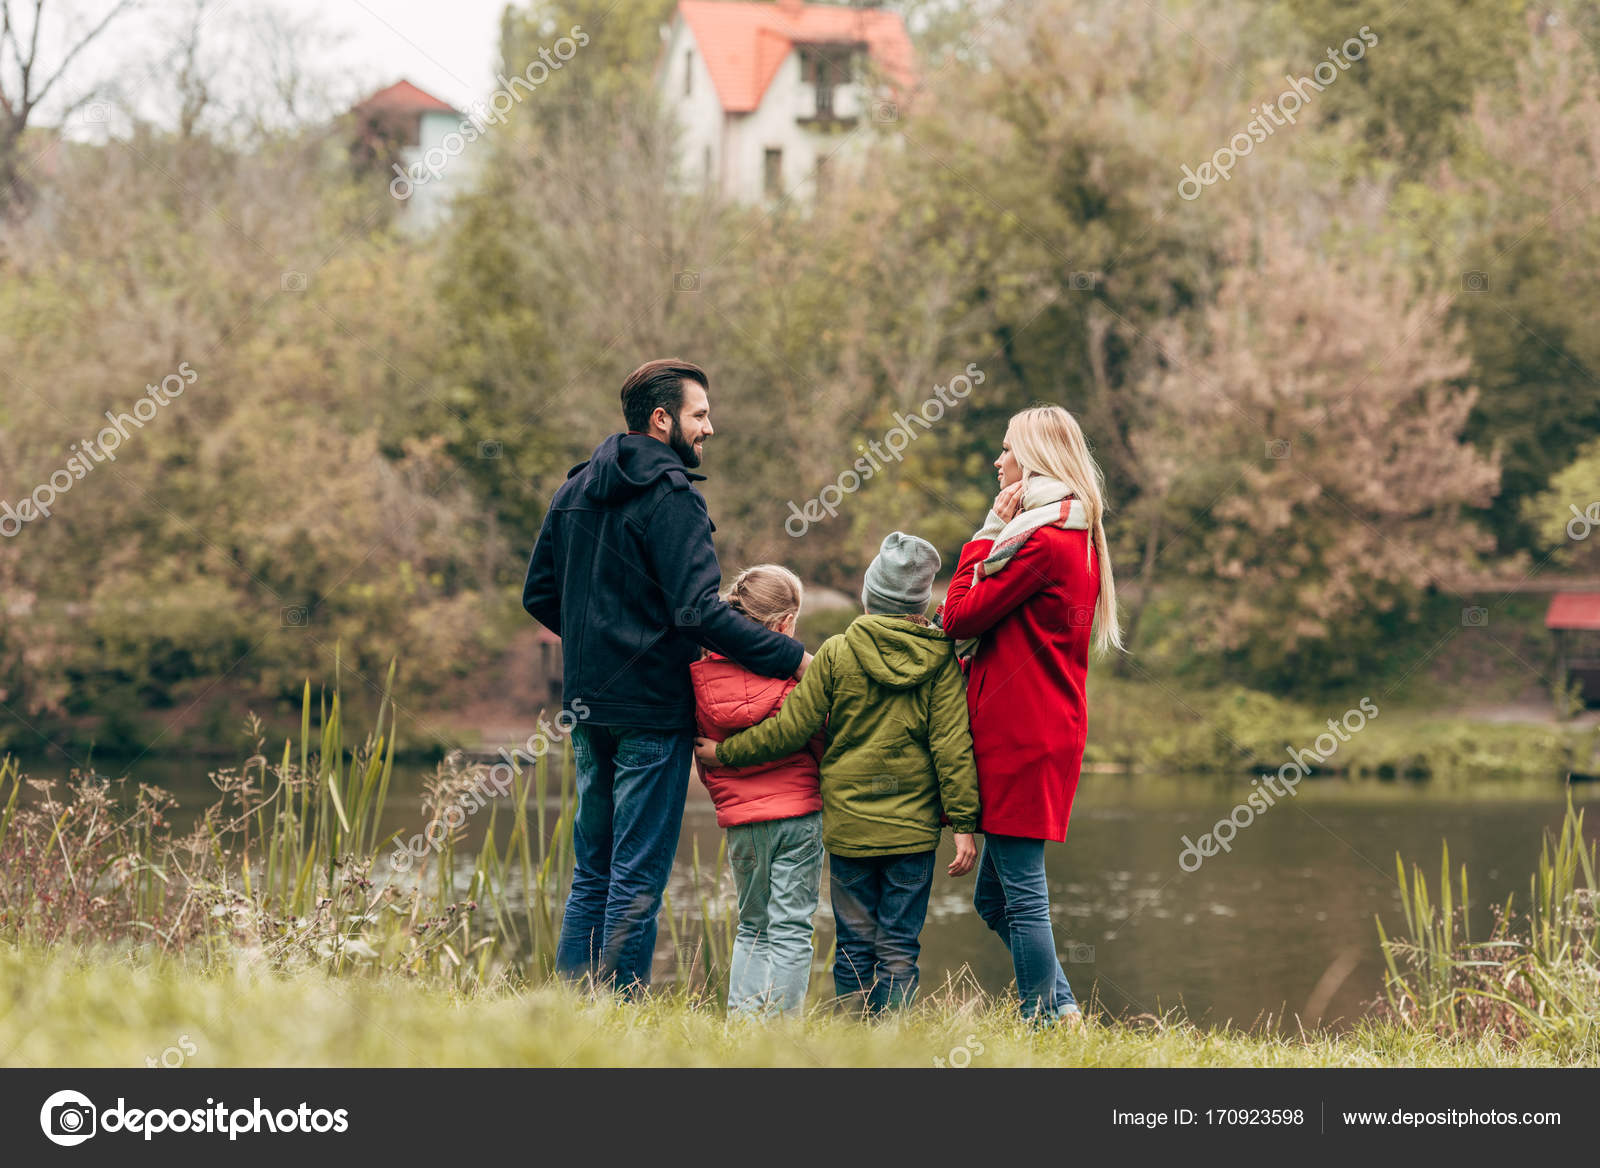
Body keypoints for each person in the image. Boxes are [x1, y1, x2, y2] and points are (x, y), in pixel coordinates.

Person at [522, 358, 809, 996]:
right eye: (699, 414)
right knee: (636, 877)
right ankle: (619, 1013)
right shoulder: (673, 495)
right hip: (652, 709)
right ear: (662, 419)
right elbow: (700, 611)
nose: (709, 427)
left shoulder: (573, 491)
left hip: (588, 708)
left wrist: (601, 643)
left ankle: (574, 1010)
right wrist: (795, 659)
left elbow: (540, 595)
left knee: (592, 872)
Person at [695, 532, 979, 1015]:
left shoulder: (836, 654)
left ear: (870, 596)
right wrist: (965, 824)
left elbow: (790, 729)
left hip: (848, 831)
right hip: (912, 833)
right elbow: (953, 747)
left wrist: (728, 754)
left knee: (850, 946)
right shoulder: (941, 663)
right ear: (919, 602)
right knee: (898, 948)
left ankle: (843, 1037)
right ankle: (887, 1047)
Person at [938, 405, 1123, 1025]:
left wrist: (988, 527)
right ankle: (1061, 1007)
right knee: (996, 897)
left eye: (1007, 450)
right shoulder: (1073, 533)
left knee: (1020, 893)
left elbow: (957, 617)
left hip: (1021, 732)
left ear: (1035, 459)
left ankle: (1044, 1017)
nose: (998, 461)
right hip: (1038, 728)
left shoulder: (1042, 541)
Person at [690, 564, 825, 1019]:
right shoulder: (795, 677)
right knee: (790, 929)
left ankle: (743, 1029)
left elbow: (700, 752)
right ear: (785, 624)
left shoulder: (703, 675)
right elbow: (822, 738)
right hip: (799, 817)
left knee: (752, 926)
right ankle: (780, 1036)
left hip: (742, 823)